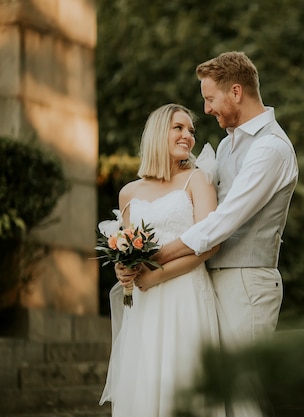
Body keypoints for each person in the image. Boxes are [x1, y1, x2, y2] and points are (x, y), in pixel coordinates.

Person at [132, 51, 298, 417]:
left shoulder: (271, 148)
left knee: (242, 393)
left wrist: (156, 257)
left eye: (210, 98)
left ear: (236, 92)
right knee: (217, 396)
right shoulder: (227, 144)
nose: (206, 110)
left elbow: (224, 220)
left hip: (247, 284)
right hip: (206, 285)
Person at [99, 103, 224, 417]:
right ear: (158, 134)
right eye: (178, 128)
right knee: (147, 381)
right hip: (144, 307)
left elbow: (209, 246)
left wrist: (156, 276)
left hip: (186, 295)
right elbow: (128, 253)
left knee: (183, 379)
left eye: (191, 130)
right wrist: (122, 269)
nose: (187, 136)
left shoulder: (197, 180)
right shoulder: (129, 192)